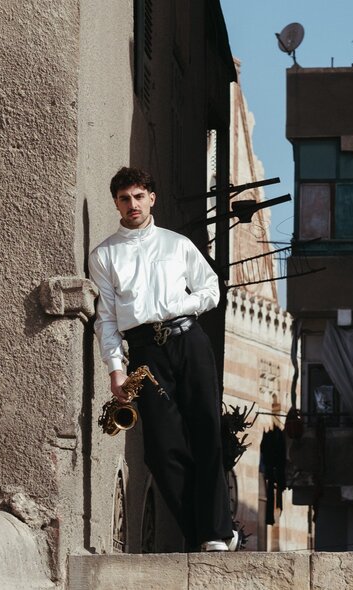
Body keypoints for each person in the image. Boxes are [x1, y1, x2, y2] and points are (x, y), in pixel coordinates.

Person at [88, 166, 237, 552]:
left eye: (138, 196)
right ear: (116, 204)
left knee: (206, 433)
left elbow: (211, 290)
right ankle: (202, 529)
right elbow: (105, 319)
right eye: (124, 198)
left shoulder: (177, 244)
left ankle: (216, 533)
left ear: (151, 198)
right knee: (161, 448)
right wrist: (115, 370)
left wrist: (177, 305)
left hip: (188, 340)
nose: (132, 204)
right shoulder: (104, 255)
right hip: (144, 353)